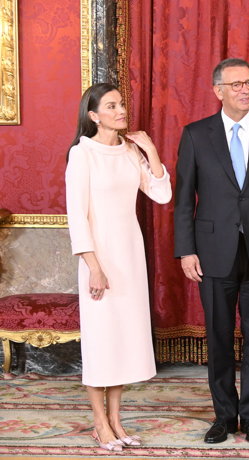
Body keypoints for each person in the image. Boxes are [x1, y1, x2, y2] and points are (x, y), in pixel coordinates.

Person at [174, 58, 249, 444]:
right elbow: (184, 200)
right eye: (236, 84)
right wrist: (186, 250)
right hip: (213, 251)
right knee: (219, 337)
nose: (245, 90)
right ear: (218, 91)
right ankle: (224, 417)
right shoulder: (196, 135)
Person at [65, 83, 172, 452]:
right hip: (99, 258)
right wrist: (93, 266)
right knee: (101, 341)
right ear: (93, 115)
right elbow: (77, 216)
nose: (121, 110)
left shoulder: (129, 150)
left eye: (121, 103)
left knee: (123, 340)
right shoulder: (82, 153)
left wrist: (150, 150)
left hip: (129, 257)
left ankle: (116, 420)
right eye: (111, 105)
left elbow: (162, 193)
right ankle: (100, 423)